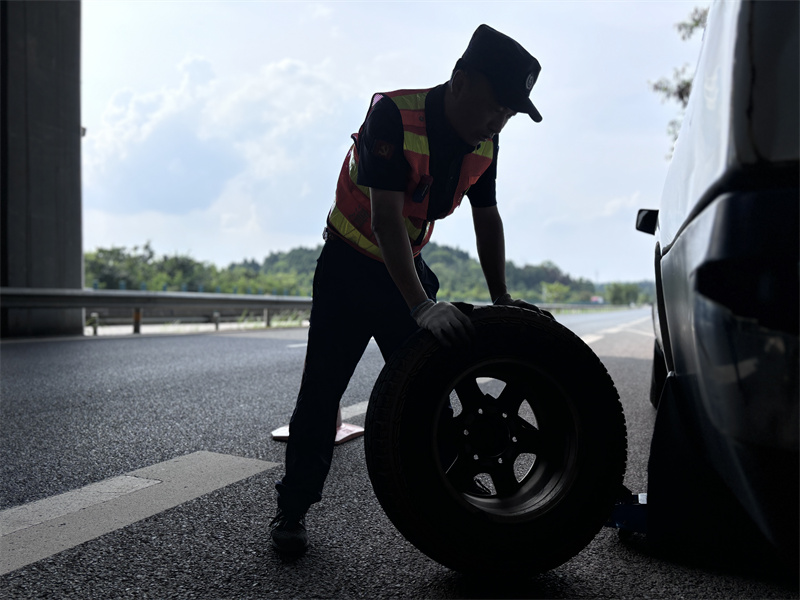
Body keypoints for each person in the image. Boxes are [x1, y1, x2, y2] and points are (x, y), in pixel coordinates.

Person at [270, 24, 549, 554]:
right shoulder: (395, 115)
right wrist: (421, 305)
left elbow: (487, 218)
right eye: (495, 107)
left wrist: (502, 299)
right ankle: (293, 508)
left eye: (510, 115)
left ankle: (466, 502)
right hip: (350, 270)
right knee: (321, 394)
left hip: (404, 266)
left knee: (433, 388)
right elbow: (385, 219)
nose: (498, 122)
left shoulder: (485, 142)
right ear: (460, 82)